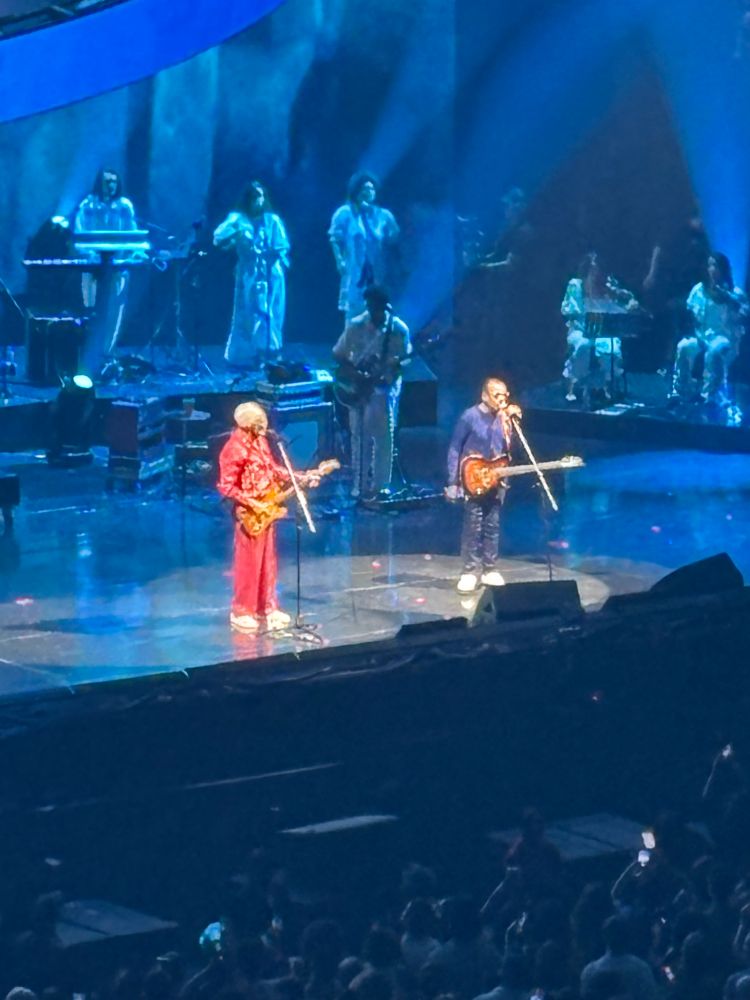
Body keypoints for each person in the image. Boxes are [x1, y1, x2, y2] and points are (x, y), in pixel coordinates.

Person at [217, 402, 318, 634]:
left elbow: (273, 470)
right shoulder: (234, 448)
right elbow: (225, 486)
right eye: (259, 424)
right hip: (249, 514)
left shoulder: (260, 442)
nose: (264, 429)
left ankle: (267, 607)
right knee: (248, 564)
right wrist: (253, 503)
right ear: (249, 425)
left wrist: (299, 477)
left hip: (268, 508)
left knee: (267, 562)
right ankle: (242, 611)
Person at [333, 284, 410, 499]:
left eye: (376, 307)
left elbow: (406, 359)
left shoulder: (398, 329)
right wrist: (355, 375)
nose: (372, 311)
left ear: (385, 307)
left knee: (383, 438)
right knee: (359, 437)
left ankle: (381, 487)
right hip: (359, 389)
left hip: (384, 390)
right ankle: (360, 486)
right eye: (370, 306)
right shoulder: (356, 325)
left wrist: (394, 367)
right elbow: (338, 354)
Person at [445, 378, 521, 594]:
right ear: (484, 395)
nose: (501, 399)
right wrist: (453, 481)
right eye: (496, 395)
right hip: (473, 477)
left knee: (492, 525)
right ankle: (469, 571)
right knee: (473, 525)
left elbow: (507, 450)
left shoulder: (505, 418)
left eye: (504, 395)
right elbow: (455, 447)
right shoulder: (470, 416)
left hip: (496, 478)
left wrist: (511, 422)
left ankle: (490, 569)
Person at [214, 181, 290, 366]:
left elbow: (281, 246)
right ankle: (249, 354)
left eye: (261, 196)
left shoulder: (272, 220)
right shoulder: (238, 219)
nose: (258, 200)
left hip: (270, 273)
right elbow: (219, 239)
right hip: (249, 273)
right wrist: (235, 233)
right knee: (250, 312)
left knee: (270, 312)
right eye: (254, 196)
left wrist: (268, 256)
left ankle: (269, 352)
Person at [74, 167, 139, 368]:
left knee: (115, 311)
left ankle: (107, 355)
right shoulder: (88, 205)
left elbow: (132, 235)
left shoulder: (124, 206)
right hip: (92, 268)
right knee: (90, 309)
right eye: (106, 181)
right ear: (99, 183)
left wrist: (129, 255)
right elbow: (79, 235)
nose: (110, 185)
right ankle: (89, 353)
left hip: (118, 268)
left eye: (113, 181)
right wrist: (92, 256)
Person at [669, 252, 748, 408]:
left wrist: (732, 303)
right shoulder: (699, 290)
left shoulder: (734, 293)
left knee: (714, 352)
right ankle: (681, 390)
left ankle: (711, 395)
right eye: (709, 265)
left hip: (724, 338)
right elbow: (689, 312)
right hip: (701, 336)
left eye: (715, 265)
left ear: (723, 269)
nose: (711, 269)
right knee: (683, 346)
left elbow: (745, 314)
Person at [561, 252, 638, 403]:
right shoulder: (576, 285)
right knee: (584, 345)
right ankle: (576, 384)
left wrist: (628, 305)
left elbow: (618, 310)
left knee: (611, 348)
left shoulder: (610, 286)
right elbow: (571, 312)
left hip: (604, 331)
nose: (599, 272)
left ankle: (609, 385)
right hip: (580, 329)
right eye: (595, 268)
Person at [329, 172, 399, 321]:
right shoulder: (345, 213)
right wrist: (339, 260)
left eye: (371, 189)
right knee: (354, 311)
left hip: (377, 268)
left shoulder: (383, 215)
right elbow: (335, 237)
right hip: (355, 266)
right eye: (365, 189)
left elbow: (394, 235)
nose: (369, 192)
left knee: (377, 310)